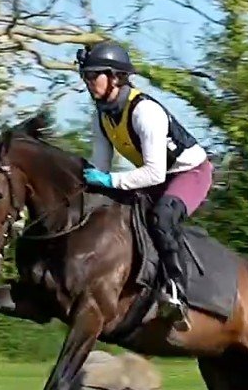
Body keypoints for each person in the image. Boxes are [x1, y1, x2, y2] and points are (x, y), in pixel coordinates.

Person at [76, 40, 214, 330]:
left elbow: (153, 173)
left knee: (162, 217)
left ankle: (176, 293)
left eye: (93, 75)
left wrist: (110, 180)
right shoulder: (102, 117)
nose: (88, 82)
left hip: (190, 172)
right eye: (85, 76)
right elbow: (100, 168)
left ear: (115, 77)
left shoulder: (144, 112)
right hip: (157, 175)